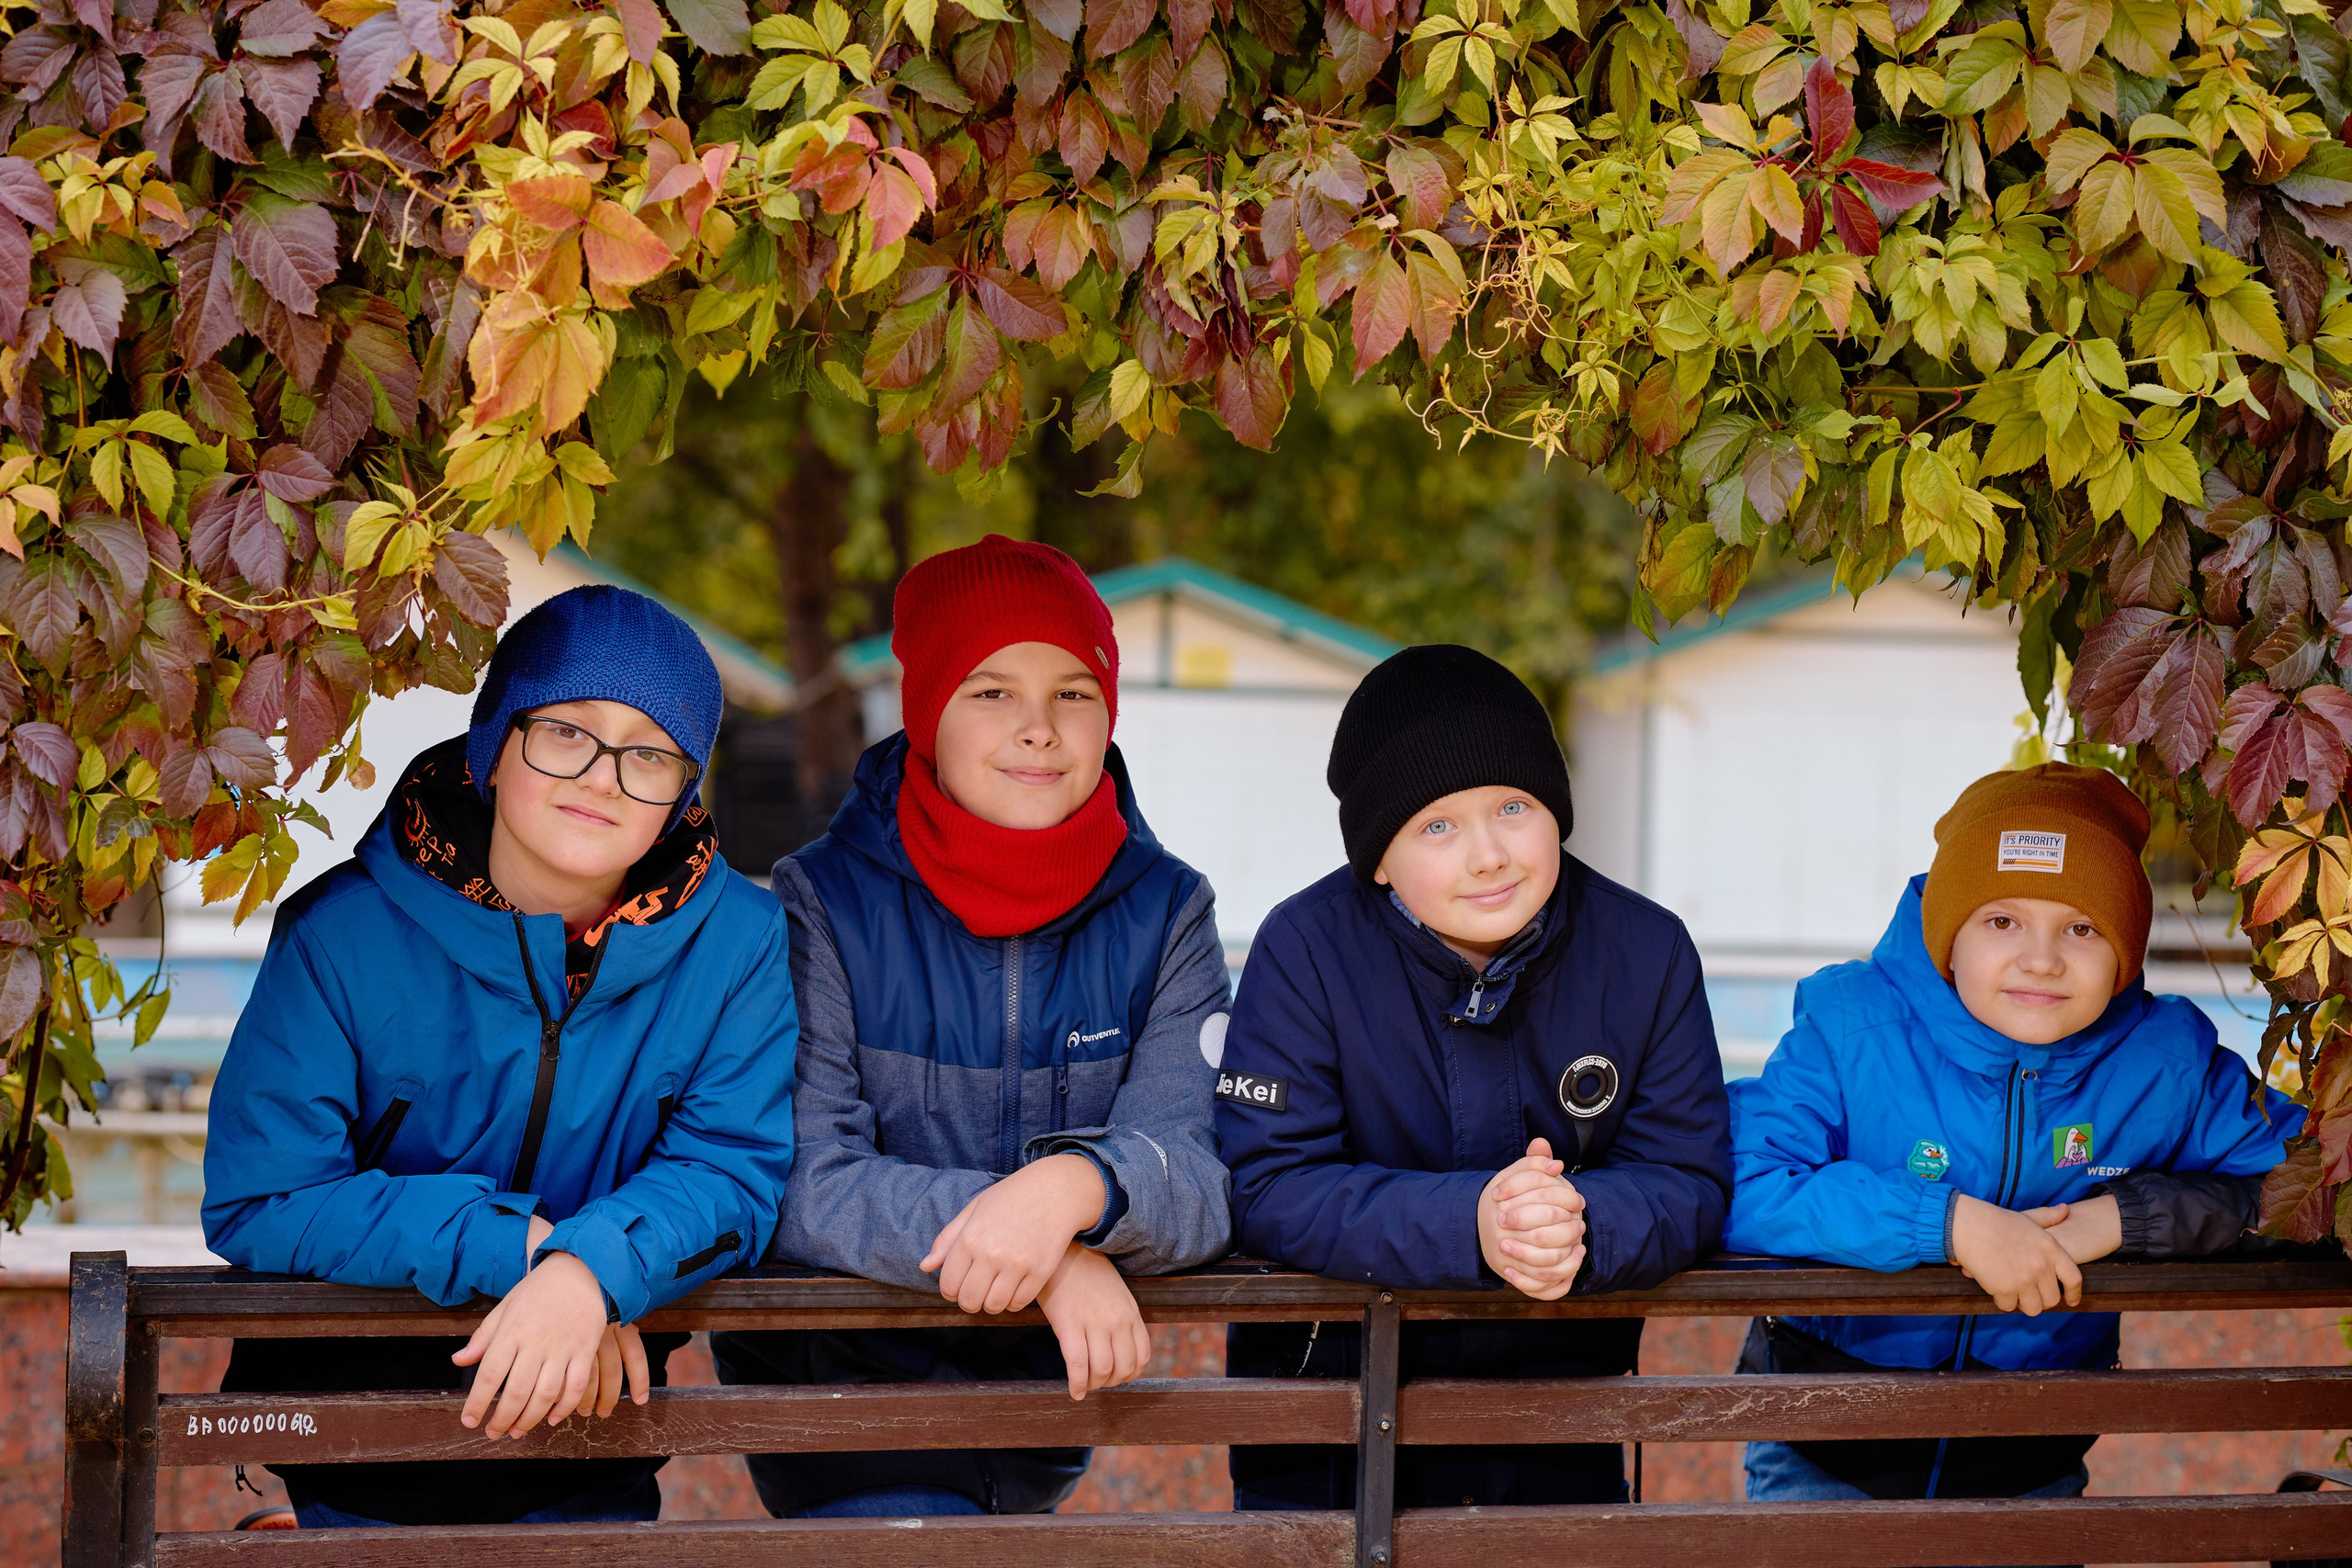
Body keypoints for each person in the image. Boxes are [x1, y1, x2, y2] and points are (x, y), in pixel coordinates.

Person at [201, 585, 798, 1529]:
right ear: (494, 742)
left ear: (682, 790)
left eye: (648, 752)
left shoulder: (741, 944)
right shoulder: (341, 932)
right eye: (567, 731)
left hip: (589, 1438)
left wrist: (592, 1270)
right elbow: (262, 1197)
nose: (603, 776)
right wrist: (525, 1249)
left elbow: (731, 1169)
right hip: (355, 1435)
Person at [712, 535, 1232, 1519]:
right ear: (926, 714)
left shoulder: (1167, 913)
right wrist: (1051, 1253)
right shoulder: (817, 903)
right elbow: (802, 1177)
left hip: (1042, 1407)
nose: (1037, 728)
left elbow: (1198, 1168)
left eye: (1073, 692)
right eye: (990, 690)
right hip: (838, 1394)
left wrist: (1076, 1183)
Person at [1215, 644, 1732, 1510]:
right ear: (1379, 857)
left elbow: (1688, 1172)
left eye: (1513, 806)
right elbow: (1267, 1180)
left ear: (1557, 811)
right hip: (1327, 1425)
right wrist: (1472, 1223)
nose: (1489, 854)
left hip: (1561, 1413)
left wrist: (1578, 1223)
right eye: (1438, 826)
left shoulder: (1645, 951)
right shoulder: (1305, 950)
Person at [1727, 761, 2304, 1503]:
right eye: (2003, 920)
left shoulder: (2165, 1065)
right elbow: (1746, 1176)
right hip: (1825, 1448)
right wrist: (1950, 1224)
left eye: (2082, 927)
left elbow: (2311, 1178)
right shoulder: (1852, 1027)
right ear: (1950, 935)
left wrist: (2121, 1220)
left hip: (2030, 1460)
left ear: (2125, 950)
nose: (2041, 957)